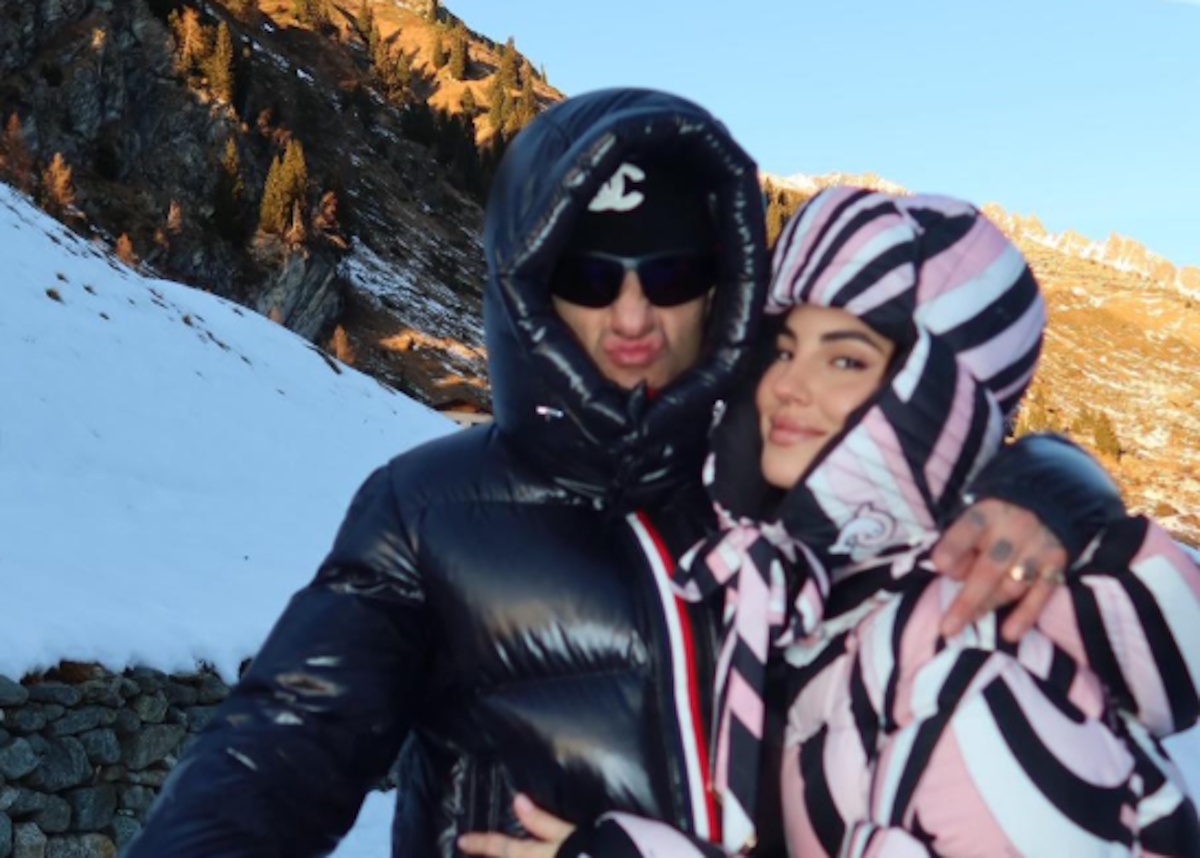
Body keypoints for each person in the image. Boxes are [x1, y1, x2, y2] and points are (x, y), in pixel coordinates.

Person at [123, 95, 1122, 858]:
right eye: (592, 278)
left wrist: (1050, 490)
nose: (634, 317)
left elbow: (960, 449)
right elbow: (277, 748)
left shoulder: (793, 471)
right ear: (530, 292)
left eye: (671, 274)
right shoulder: (428, 508)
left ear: (725, 285)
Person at [458, 189, 1200, 858]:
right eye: (785, 348)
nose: (786, 384)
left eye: (845, 360)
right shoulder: (828, 594)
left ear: (930, 398)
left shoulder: (961, 640)